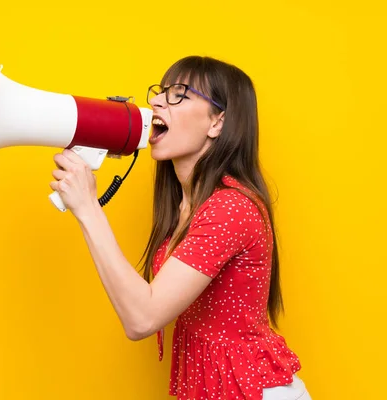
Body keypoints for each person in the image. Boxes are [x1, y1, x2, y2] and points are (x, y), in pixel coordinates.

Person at [49, 56, 311, 400]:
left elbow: (142, 318)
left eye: (179, 94)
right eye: (160, 92)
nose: (156, 101)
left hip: (251, 391)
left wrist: (88, 208)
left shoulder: (230, 207)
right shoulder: (188, 205)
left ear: (217, 122)